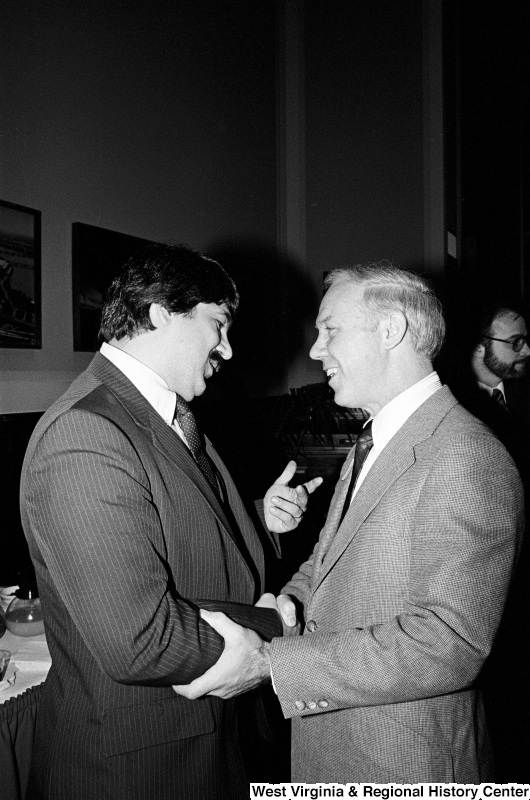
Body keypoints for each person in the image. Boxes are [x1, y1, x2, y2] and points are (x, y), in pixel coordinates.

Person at [174, 263, 524, 783]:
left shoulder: (466, 455)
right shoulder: (375, 438)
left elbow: (448, 644)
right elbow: (325, 561)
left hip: (404, 764)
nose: (316, 350)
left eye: (330, 329)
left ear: (391, 331)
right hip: (333, 751)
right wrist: (284, 608)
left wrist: (272, 664)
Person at [20, 242, 321, 800]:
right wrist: (277, 627)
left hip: (198, 743)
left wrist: (259, 521)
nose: (227, 350)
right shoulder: (85, 435)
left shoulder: (163, 415)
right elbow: (138, 637)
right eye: (218, 325)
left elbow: (167, 535)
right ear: (161, 313)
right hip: (135, 768)